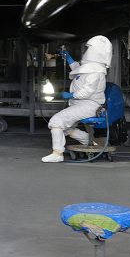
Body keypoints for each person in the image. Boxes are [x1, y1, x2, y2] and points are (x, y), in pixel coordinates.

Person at [42, 35, 112, 163]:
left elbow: (86, 92)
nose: (86, 52)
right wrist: (68, 57)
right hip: (79, 104)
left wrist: (69, 95)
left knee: (56, 122)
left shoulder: (96, 72)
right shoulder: (90, 68)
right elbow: (77, 70)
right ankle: (91, 143)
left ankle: (57, 153)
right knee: (67, 128)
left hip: (88, 106)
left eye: (89, 49)